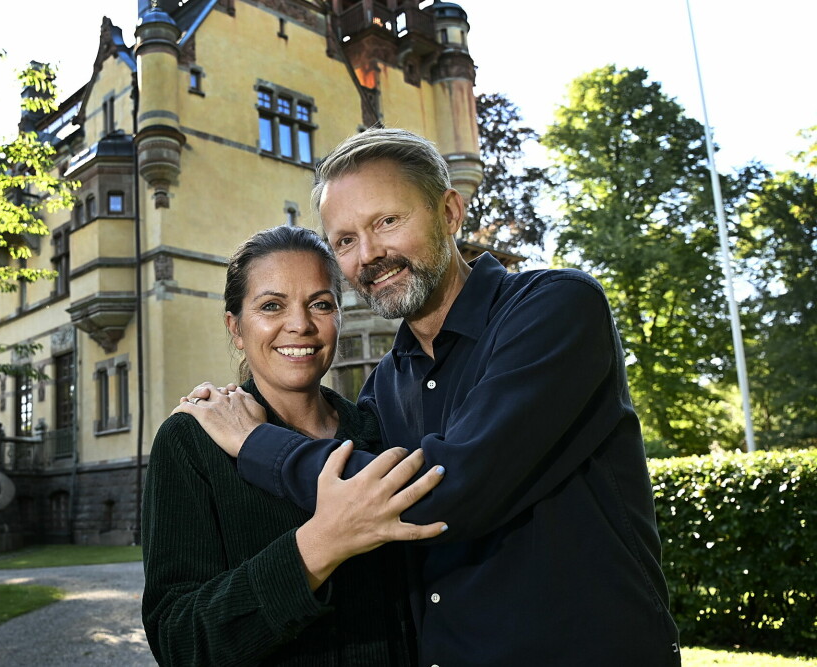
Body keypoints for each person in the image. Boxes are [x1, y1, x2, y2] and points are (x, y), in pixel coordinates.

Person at [177, 129, 682, 666]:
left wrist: (255, 442)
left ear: (449, 211)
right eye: (345, 240)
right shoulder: (381, 389)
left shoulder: (556, 309)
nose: (369, 255)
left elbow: (446, 494)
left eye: (387, 222)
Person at [141, 225, 448, 666]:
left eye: (320, 304)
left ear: (339, 316)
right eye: (271, 306)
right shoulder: (192, 442)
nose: (300, 325)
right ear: (236, 327)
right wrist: (320, 544)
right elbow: (180, 641)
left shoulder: (378, 430)